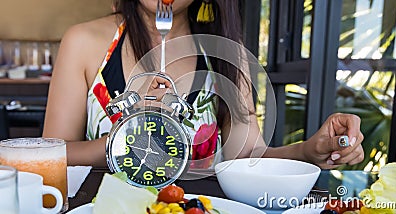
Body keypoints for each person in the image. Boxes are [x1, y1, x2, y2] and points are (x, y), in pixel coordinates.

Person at [42, 0, 364, 170]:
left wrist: (308, 151)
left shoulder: (227, 53)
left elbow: (246, 155)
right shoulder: (83, 41)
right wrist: (128, 136)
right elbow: (50, 154)